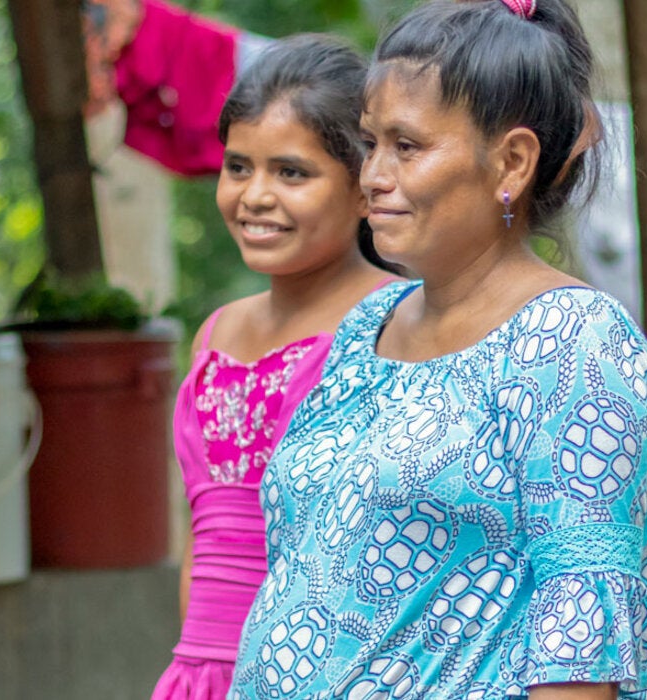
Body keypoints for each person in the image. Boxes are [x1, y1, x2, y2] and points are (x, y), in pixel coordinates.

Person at [228, 1, 647, 699]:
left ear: (512, 162)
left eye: (407, 147)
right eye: (370, 142)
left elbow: (580, 645)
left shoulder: (576, 345)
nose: (373, 174)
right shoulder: (367, 325)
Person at [152, 35, 399, 700]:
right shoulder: (217, 332)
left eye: (291, 172)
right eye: (239, 167)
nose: (255, 195)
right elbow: (200, 537)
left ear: (362, 188)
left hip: (330, 674)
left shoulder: (394, 324)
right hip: (200, 674)